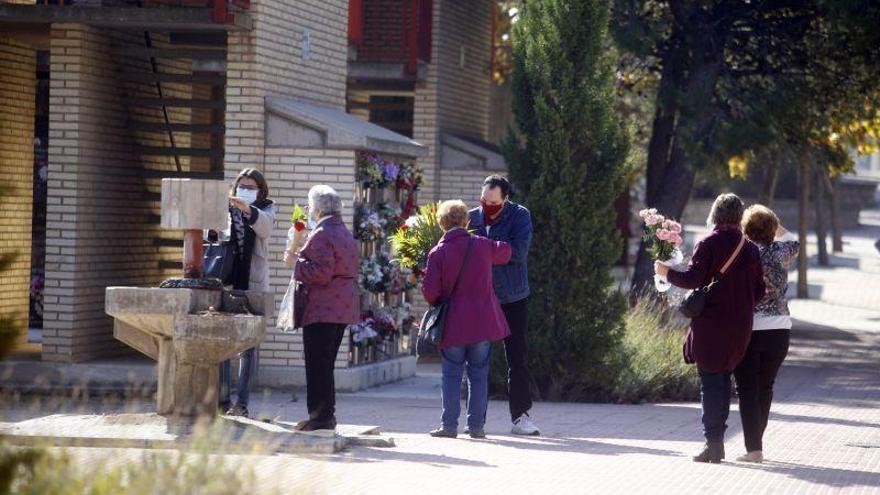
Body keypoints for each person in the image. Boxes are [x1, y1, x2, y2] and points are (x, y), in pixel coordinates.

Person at [654, 193, 765, 463]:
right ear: (739, 216)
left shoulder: (709, 243)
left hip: (711, 327)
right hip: (740, 327)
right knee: (724, 382)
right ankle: (717, 441)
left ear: (715, 214)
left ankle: (713, 444)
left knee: (711, 384)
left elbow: (693, 279)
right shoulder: (749, 248)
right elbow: (760, 291)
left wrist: (665, 272)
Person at [422, 200, 512, 439]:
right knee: (479, 374)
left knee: (451, 374)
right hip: (483, 322)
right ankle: (476, 427)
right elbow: (506, 252)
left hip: (453, 324)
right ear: (465, 221)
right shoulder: (482, 245)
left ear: (442, 223)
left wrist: (441, 300)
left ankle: (449, 425)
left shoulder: (438, 252)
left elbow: (430, 291)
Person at [468, 175, 540, 436]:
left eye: (493, 203)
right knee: (475, 361)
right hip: (479, 298)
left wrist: (479, 248)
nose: (486, 207)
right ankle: (474, 421)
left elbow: (518, 253)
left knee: (517, 359)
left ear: (505, 199)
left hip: (513, 297)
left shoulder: (520, 216)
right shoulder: (471, 218)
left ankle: (520, 417)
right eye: (484, 200)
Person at [291, 185, 359, 432]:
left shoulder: (322, 234)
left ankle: (320, 417)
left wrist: (298, 262)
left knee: (317, 363)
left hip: (323, 307)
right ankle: (325, 415)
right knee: (325, 363)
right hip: (341, 306)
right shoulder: (342, 230)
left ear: (318, 209)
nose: (309, 211)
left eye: (310, 207)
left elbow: (319, 273)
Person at [734, 205, 799, 463]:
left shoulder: (745, 254)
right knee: (765, 387)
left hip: (750, 328)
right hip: (780, 329)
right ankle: (755, 443)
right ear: (772, 229)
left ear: (746, 230)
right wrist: (775, 223)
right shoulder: (783, 252)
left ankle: (754, 449)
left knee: (747, 389)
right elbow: (792, 237)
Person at [218, 168, 276, 418]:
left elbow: (264, 228)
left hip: (253, 283)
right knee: (220, 344)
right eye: (242, 186)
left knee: (248, 346)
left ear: (260, 191)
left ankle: (241, 403)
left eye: (251, 187)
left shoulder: (267, 208)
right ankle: (221, 400)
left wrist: (247, 208)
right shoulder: (225, 209)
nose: (246, 190)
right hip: (227, 281)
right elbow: (216, 237)